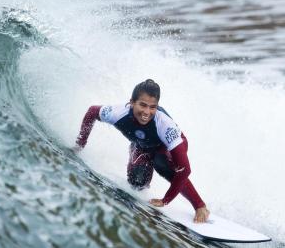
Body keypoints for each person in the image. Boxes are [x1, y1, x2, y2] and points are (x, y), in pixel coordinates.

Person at [74, 79, 210, 223]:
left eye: (153, 107)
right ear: (132, 102)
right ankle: (144, 164)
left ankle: (200, 206)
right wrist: (79, 145)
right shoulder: (118, 113)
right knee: (137, 182)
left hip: (168, 148)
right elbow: (92, 112)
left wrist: (166, 200)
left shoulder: (165, 125)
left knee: (162, 163)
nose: (147, 112)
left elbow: (185, 169)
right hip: (142, 145)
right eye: (143, 105)